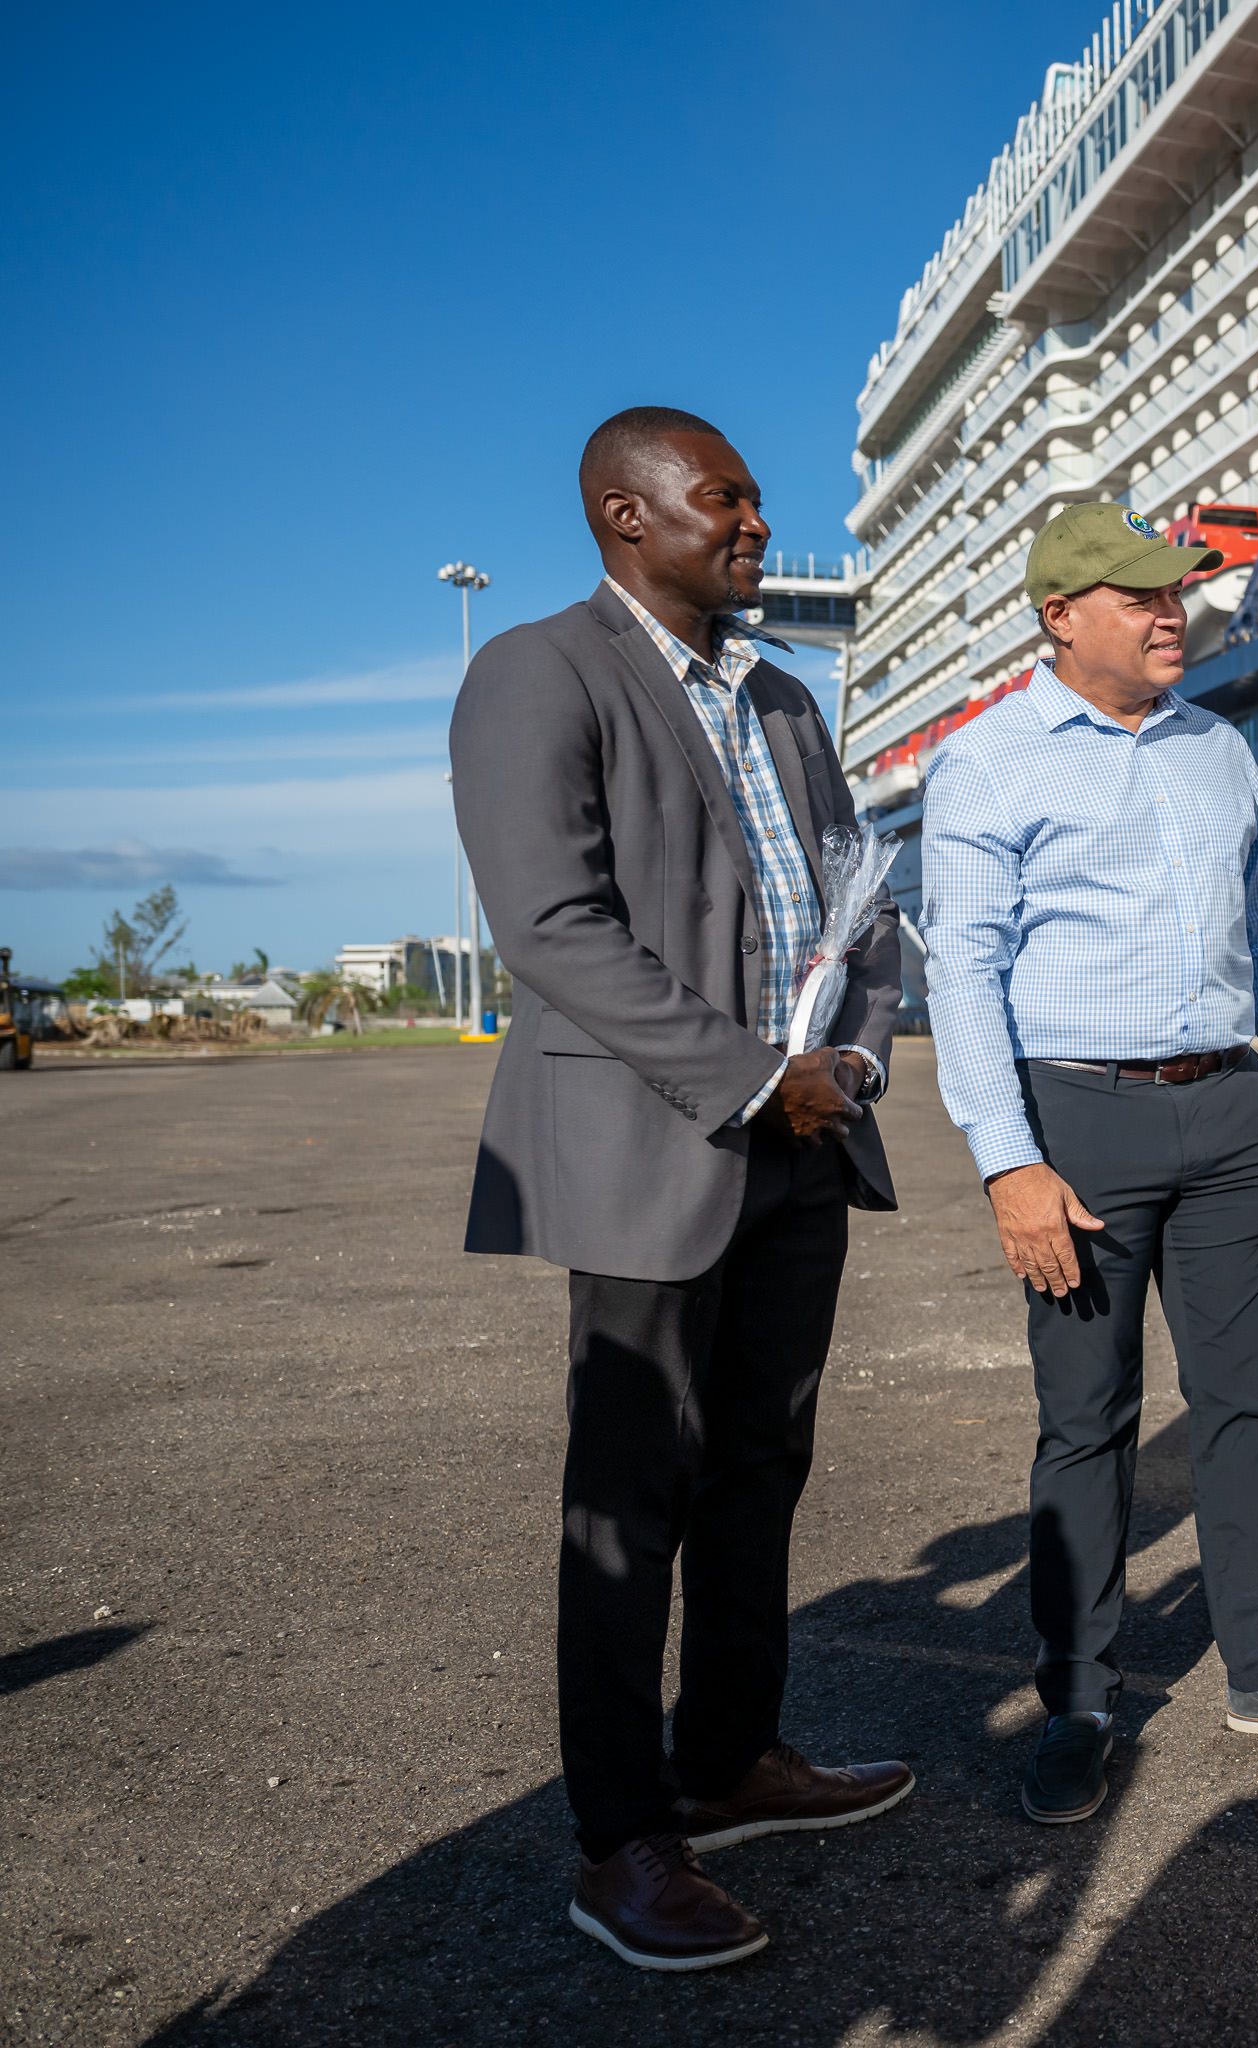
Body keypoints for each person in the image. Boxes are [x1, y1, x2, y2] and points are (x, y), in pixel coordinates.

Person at [452, 407, 912, 1971]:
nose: (758, 527)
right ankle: (621, 1839)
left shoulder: (783, 696)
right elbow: (554, 926)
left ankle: (728, 1759)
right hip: (661, 1142)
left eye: (759, 502)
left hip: (803, 1137)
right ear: (624, 516)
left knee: (763, 1468)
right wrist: (743, 1074)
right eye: (726, 501)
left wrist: (851, 1060)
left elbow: (859, 901)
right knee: (630, 1498)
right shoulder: (539, 670)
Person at [920, 501, 1258, 1827]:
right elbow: (960, 974)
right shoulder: (990, 764)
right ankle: (1077, 1696)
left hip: (1230, 1117)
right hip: (1081, 1126)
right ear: (1059, 614)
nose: (1168, 611)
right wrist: (1006, 1167)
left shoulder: (1219, 749)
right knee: (1088, 1421)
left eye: (1174, 592)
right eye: (1137, 596)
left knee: (1249, 1402)